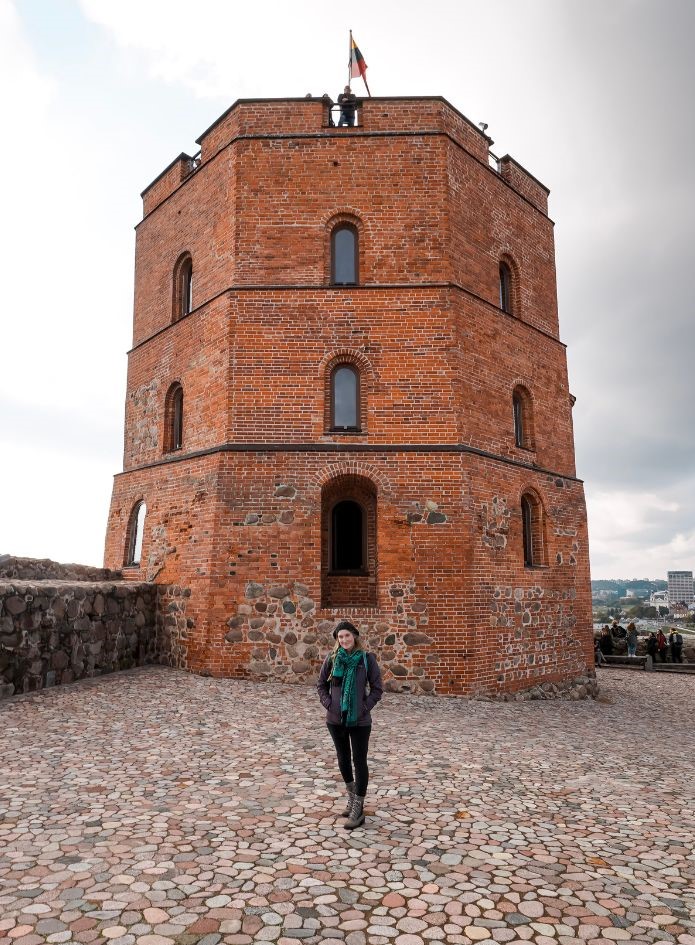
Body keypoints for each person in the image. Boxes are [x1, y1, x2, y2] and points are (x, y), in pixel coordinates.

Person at [317, 620, 383, 830]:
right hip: (335, 720)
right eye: (340, 637)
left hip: (360, 720)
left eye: (347, 635)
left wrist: (364, 708)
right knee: (343, 759)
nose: (344, 640)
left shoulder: (366, 659)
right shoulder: (333, 658)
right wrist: (329, 705)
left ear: (354, 636)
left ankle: (358, 808)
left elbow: (377, 689)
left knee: (359, 760)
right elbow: (321, 686)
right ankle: (352, 799)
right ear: (337, 640)